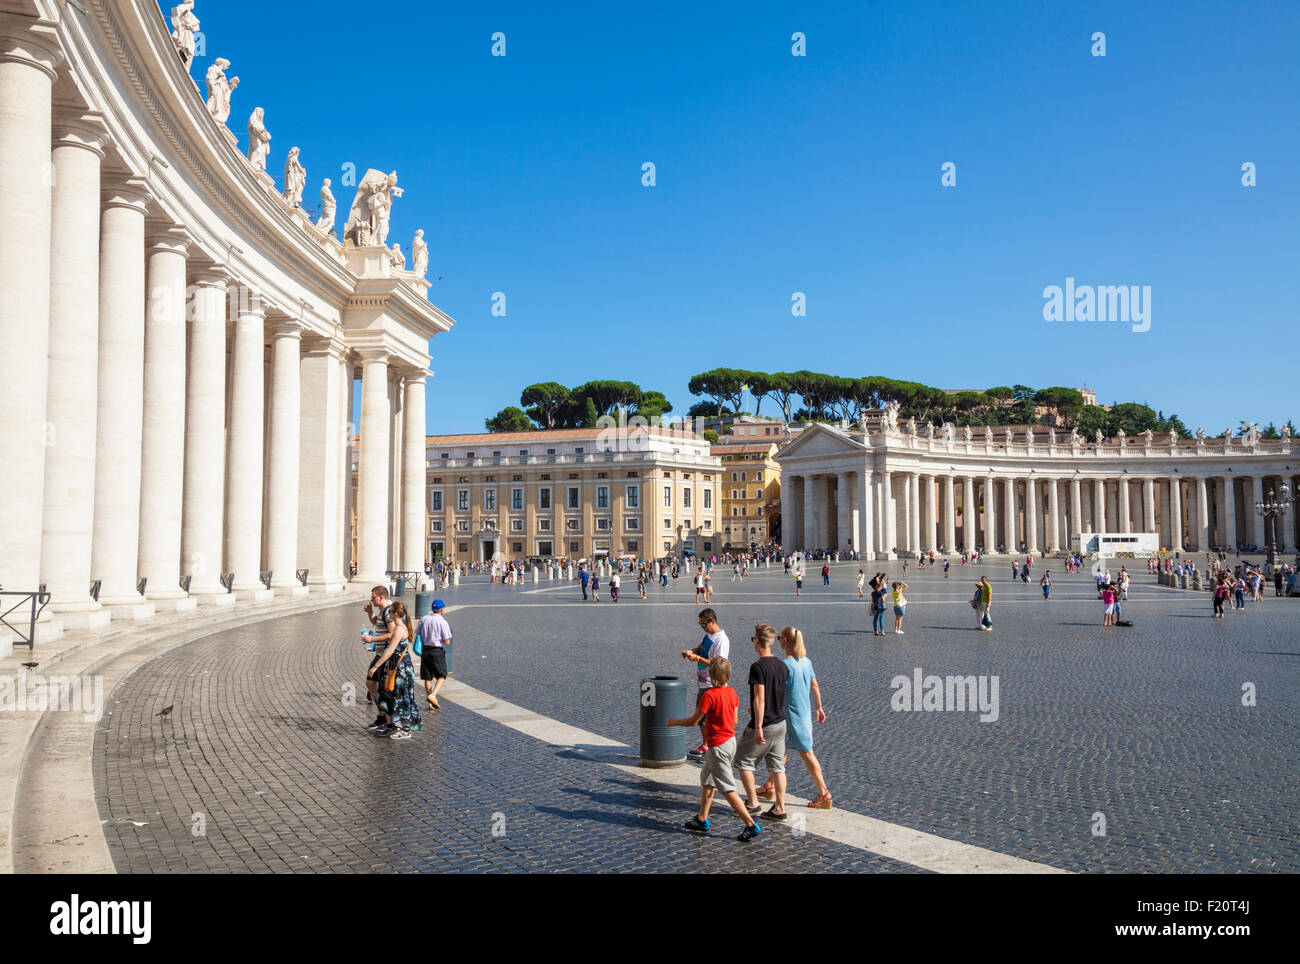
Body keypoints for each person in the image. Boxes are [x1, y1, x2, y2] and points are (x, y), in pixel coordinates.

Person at [666, 657, 761, 841]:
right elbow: (733, 721)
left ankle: (751, 825)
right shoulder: (733, 693)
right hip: (729, 742)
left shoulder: (709, 695)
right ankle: (702, 819)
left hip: (717, 747)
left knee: (727, 788)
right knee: (708, 780)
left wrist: (673, 722)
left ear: (711, 674)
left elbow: (694, 721)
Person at [736, 625, 789, 821]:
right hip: (780, 722)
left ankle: (752, 802)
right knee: (777, 767)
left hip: (765, 723)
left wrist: (757, 726)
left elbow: (760, 699)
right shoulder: (783, 665)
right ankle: (779, 809)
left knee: (743, 760)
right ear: (772, 641)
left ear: (757, 641)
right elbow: (778, 692)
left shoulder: (757, 667)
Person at [775, 627, 831, 809]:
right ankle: (769, 785)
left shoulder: (786, 665)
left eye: (779, 638)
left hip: (791, 716)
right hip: (804, 714)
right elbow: (814, 686)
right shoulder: (806, 662)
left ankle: (824, 793)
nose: (778, 641)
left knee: (807, 754)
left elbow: (777, 692)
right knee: (780, 751)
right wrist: (819, 707)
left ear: (784, 641)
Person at [680, 608, 731, 759]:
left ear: (713, 621)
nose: (702, 627)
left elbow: (717, 664)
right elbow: (699, 648)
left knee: (710, 719)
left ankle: (712, 749)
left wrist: (696, 658)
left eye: (704, 624)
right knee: (701, 717)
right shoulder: (708, 634)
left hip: (712, 683)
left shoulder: (721, 640)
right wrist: (690, 651)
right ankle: (706, 744)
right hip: (702, 682)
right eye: (700, 624)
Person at [367, 601, 422, 739]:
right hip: (400, 666)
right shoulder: (401, 626)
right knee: (395, 695)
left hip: (400, 668)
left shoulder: (398, 629)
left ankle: (405, 730)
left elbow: (390, 650)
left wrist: (375, 666)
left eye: (390, 611)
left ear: (396, 614)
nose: (389, 613)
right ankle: (395, 725)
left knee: (401, 696)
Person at [362, 585, 395, 716]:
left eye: (373, 597)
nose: (372, 599)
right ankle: (381, 712)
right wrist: (370, 612)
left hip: (385, 655)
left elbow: (392, 634)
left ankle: (386, 717)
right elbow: (376, 621)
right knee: (370, 683)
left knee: (383, 688)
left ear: (381, 597)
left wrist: (372, 639)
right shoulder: (382, 611)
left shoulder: (388, 611)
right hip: (380, 653)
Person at [415, 599, 452, 708]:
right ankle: (433, 695)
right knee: (442, 675)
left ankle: (431, 701)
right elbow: (447, 641)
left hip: (425, 650)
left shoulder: (424, 619)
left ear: (432, 609)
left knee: (428, 677)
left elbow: (417, 632)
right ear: (441, 610)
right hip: (436, 651)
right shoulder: (442, 622)